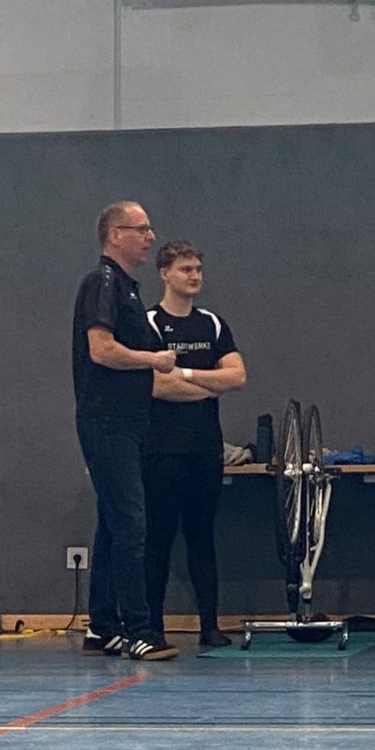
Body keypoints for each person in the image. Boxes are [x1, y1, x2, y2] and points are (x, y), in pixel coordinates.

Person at [72, 202, 178, 661]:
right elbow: (102, 350)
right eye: (142, 229)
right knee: (132, 522)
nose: (151, 237)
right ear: (116, 234)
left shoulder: (128, 289)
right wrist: (152, 359)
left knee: (114, 522)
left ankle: (103, 625)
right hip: (108, 421)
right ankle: (139, 629)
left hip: (129, 422)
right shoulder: (103, 283)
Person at [144, 240, 247, 648]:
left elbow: (236, 377)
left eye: (198, 269)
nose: (194, 276)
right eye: (186, 269)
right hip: (162, 451)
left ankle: (209, 626)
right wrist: (208, 384)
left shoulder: (213, 324)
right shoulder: (148, 323)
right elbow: (156, 386)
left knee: (202, 537)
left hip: (205, 450)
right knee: (158, 538)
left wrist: (185, 374)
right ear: (165, 274)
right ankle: (153, 627)